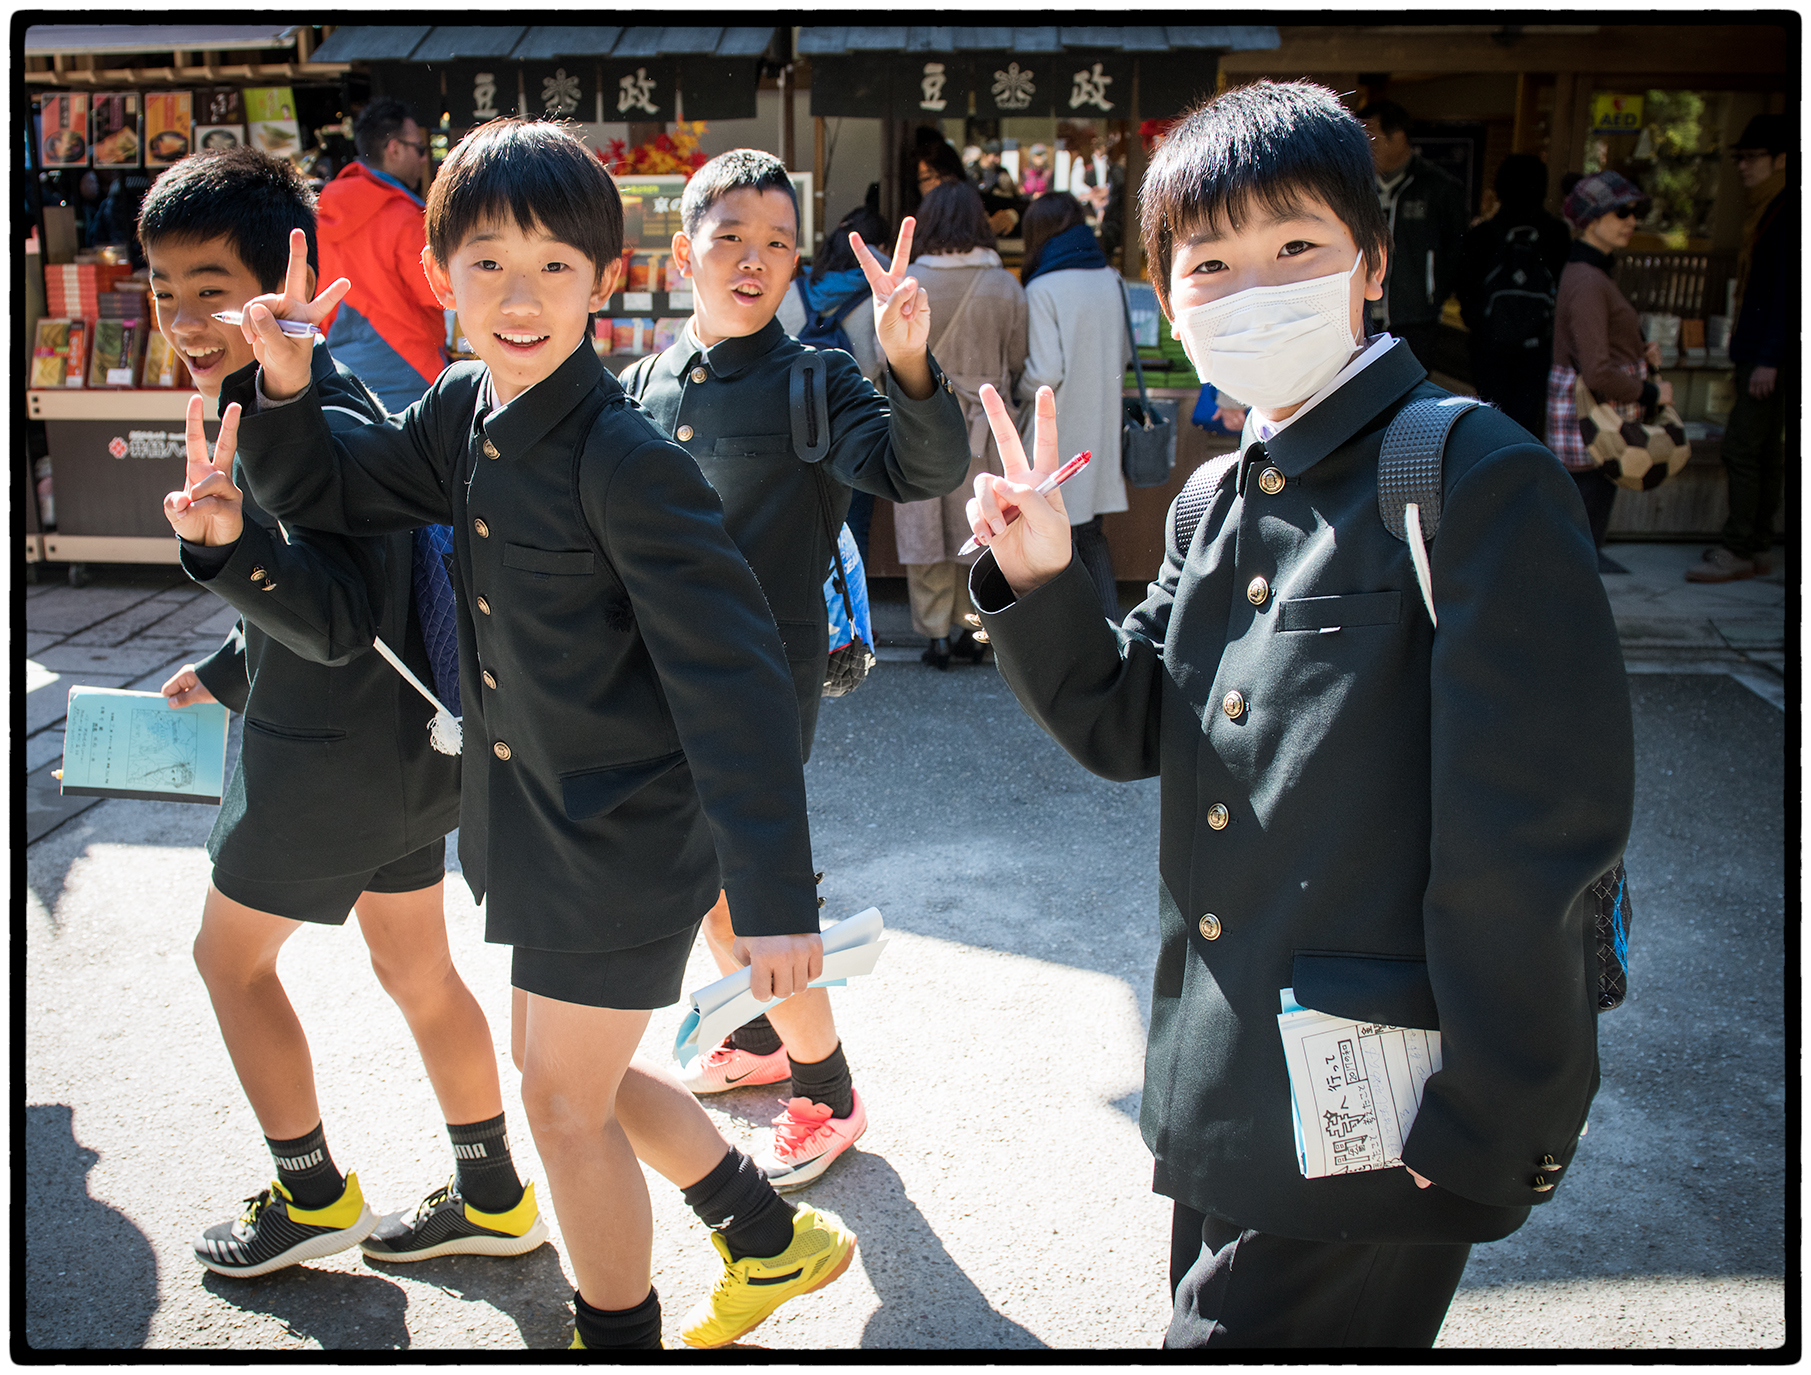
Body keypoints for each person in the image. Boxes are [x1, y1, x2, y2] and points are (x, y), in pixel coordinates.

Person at [964, 80, 1632, 1348]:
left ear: (1370, 264)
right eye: (1207, 262)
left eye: (1293, 248)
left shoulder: (1469, 474)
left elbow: (1535, 838)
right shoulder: (1221, 494)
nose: (1250, 286)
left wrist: (1495, 1119)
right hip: (1230, 1087)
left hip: (1386, 1113)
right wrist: (1043, 575)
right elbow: (1122, 726)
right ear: (1164, 294)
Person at [214, 120, 857, 1352]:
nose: (520, 298)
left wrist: (774, 897)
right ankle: (767, 1237)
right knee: (581, 1077)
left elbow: (738, 686)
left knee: (561, 1107)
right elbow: (344, 491)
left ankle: (614, 1334)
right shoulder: (464, 408)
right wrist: (288, 384)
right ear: (437, 276)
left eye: (555, 266)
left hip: (628, 837)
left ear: (605, 282)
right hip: (536, 824)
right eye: (487, 265)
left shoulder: (628, 461)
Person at [144, 147, 543, 1277]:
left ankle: (310, 1192)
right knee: (418, 973)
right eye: (165, 289)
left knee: (229, 964)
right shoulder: (317, 384)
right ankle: (491, 1190)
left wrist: (217, 551)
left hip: (322, 762)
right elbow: (334, 601)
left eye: (209, 288)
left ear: (282, 273)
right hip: (411, 754)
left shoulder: (278, 409)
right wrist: (224, 668)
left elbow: (324, 617)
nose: (183, 315)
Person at [619, 149, 969, 1177]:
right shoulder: (641, 381)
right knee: (714, 891)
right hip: (651, 682)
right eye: (729, 237)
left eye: (777, 243)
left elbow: (923, 467)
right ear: (682, 250)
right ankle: (767, 1040)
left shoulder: (814, 381)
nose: (752, 260)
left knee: (756, 895)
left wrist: (908, 361)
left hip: (757, 687)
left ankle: (828, 1091)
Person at [892, 180, 1027, 669]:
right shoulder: (1005, 285)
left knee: (926, 525)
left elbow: (881, 356)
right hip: (984, 425)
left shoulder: (911, 284)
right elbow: (1017, 359)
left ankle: (935, 636)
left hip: (922, 418)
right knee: (983, 524)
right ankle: (978, 630)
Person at [1547, 170, 1672, 568]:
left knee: (1584, 523)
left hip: (1595, 417)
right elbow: (1598, 371)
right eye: (1622, 213)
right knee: (1583, 529)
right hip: (1592, 417)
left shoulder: (1591, 274)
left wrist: (1637, 347)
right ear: (1592, 219)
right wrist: (1652, 393)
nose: (1632, 221)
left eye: (1635, 212)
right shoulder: (1588, 280)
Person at [1687, 113, 1792, 583]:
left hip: (1772, 352)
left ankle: (1740, 546)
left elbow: (1790, 292)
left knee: (1744, 449)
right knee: (1766, 449)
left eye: (1753, 158)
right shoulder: (1769, 208)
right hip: (1762, 349)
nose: (1744, 167)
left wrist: (1769, 356)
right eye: (1741, 158)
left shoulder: (1788, 209)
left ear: (1782, 160)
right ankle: (1755, 544)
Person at [1016, 191, 1130, 621]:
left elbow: (1045, 373)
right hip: (1099, 423)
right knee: (1090, 533)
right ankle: (1109, 630)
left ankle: (1074, 634)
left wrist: (1017, 388)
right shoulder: (1111, 279)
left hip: (1058, 427)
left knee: (1056, 534)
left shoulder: (1043, 286)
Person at [775, 189, 894, 565]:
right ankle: (853, 619)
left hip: (795, 424)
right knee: (853, 524)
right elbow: (880, 363)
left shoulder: (790, 290)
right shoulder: (878, 296)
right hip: (856, 425)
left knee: (800, 523)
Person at [315, 98, 448, 411]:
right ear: (395, 149)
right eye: (420, 148)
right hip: (411, 374)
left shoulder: (320, 213)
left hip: (337, 373)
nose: (424, 158)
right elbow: (438, 293)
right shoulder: (403, 216)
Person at [1456, 153, 1571, 436]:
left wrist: (1479, 324)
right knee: (1526, 422)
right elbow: (1564, 290)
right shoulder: (1557, 234)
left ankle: (1492, 472)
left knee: (1490, 420)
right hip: (1537, 347)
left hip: (1489, 347)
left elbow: (1464, 288)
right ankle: (1524, 471)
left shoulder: (1481, 234)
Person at [1357, 100, 1467, 372]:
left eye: (1372, 137)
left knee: (1410, 393)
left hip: (1416, 315)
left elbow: (1457, 252)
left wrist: (1434, 295)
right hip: (1363, 313)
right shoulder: (1358, 188)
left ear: (1398, 137)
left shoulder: (1439, 188)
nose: (1366, 147)